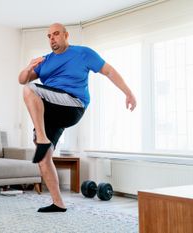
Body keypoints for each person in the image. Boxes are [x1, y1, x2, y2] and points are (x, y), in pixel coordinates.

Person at [18, 23, 136, 213]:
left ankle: (41, 139)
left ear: (66, 35)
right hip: (51, 110)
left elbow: (109, 71)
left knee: (30, 90)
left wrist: (128, 93)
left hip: (72, 104)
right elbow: (22, 78)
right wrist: (29, 66)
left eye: (56, 34)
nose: (52, 38)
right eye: (49, 36)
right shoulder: (45, 61)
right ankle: (58, 203)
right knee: (44, 158)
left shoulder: (83, 53)